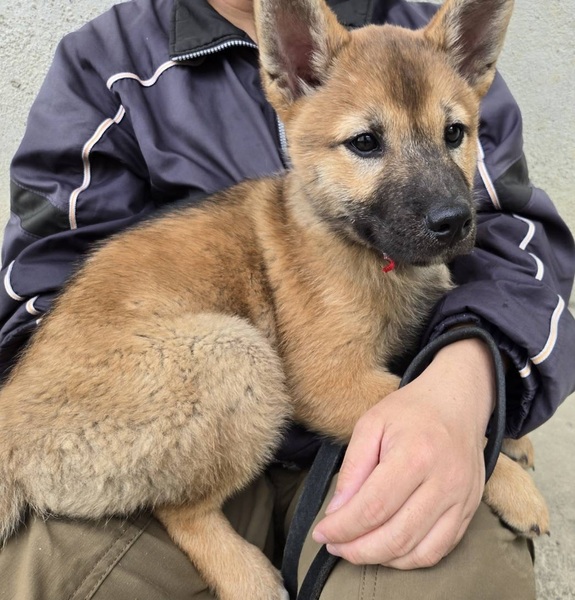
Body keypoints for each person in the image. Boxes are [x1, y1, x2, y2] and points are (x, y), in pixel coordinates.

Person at [1, 0, 574, 598]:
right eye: (367, 142)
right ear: (293, 73)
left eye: (452, 134)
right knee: (64, 567)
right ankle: (194, 521)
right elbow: (329, 385)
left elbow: (523, 255)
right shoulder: (107, 62)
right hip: (156, 412)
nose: (445, 205)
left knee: (457, 573)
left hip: (310, 444)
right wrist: (487, 456)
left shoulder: (420, 37)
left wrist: (473, 391)